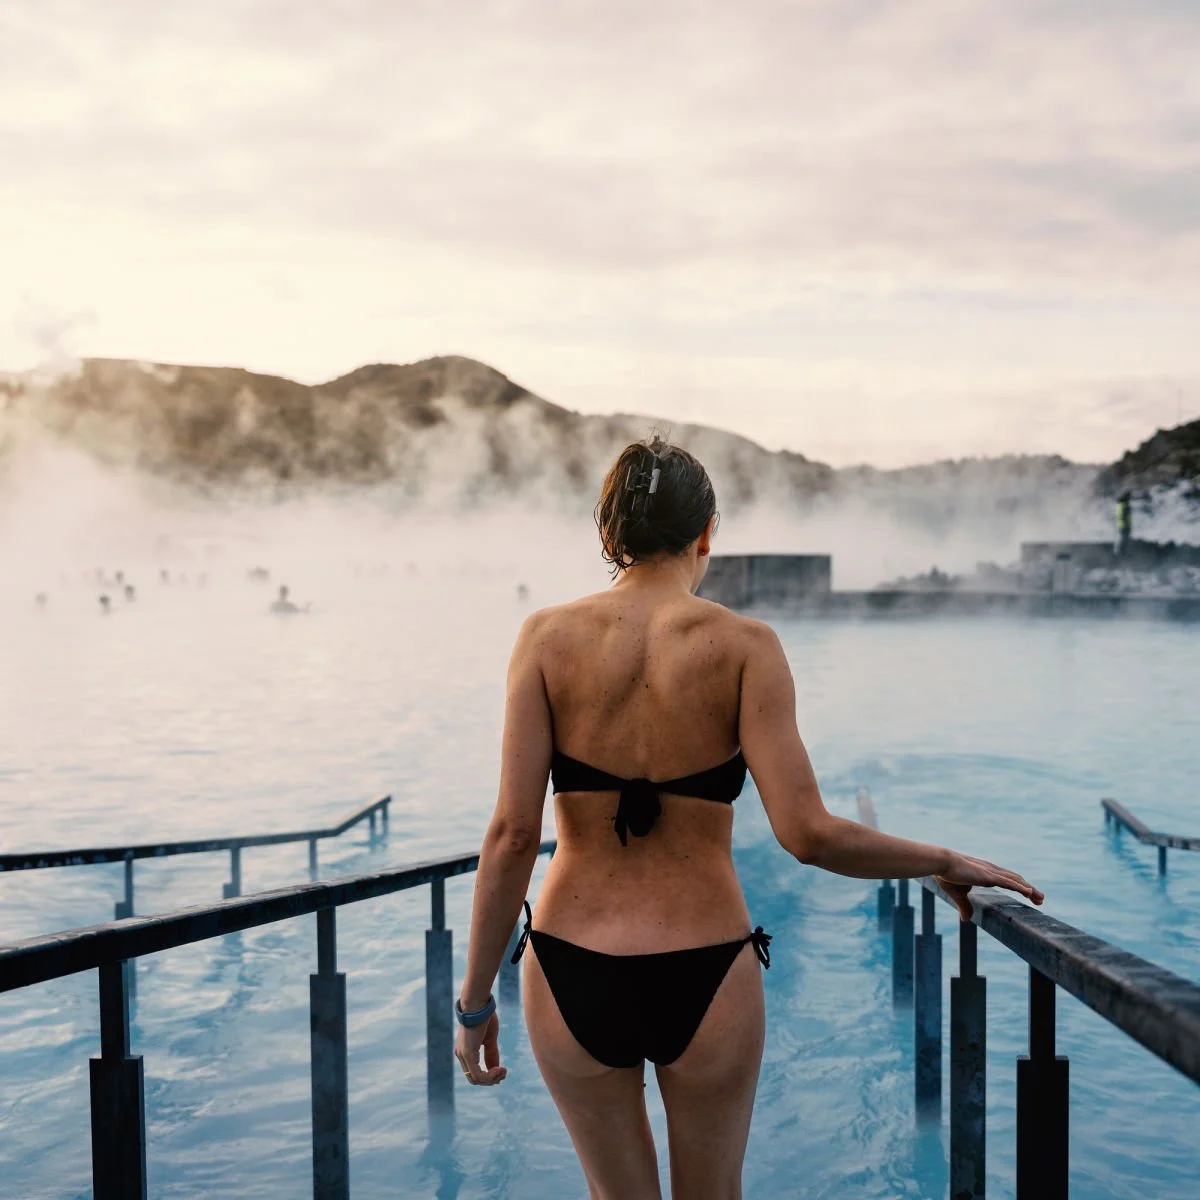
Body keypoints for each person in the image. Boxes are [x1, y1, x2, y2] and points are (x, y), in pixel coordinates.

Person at [454, 437, 1043, 1199]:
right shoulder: (745, 647)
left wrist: (473, 1003)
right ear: (706, 536)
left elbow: (512, 836)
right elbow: (809, 835)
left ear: (608, 536)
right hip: (705, 962)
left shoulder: (543, 639)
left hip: (569, 962)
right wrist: (941, 858)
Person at [1115, 491, 1133, 556]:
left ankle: (1120, 551)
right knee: (1123, 538)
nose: (1130, 498)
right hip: (1124, 524)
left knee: (1123, 538)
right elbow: (1124, 515)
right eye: (1129, 497)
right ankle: (1120, 552)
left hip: (1122, 524)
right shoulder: (1124, 505)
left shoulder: (1120, 504)